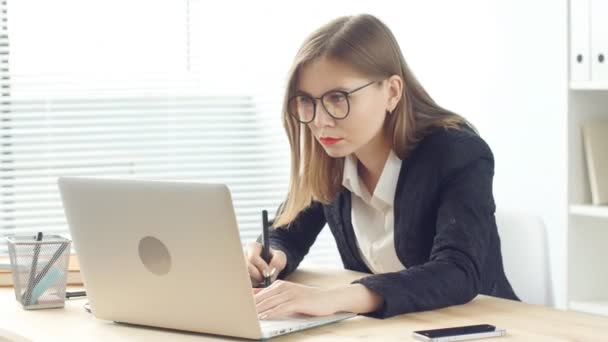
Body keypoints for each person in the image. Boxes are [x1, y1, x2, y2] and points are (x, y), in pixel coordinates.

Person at [245, 13, 519, 321]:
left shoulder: (457, 153)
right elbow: (288, 233)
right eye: (307, 101)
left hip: (482, 326)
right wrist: (269, 257)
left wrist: (335, 298)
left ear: (391, 92)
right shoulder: (334, 156)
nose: (320, 121)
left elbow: (457, 271)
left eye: (338, 97)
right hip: (394, 329)